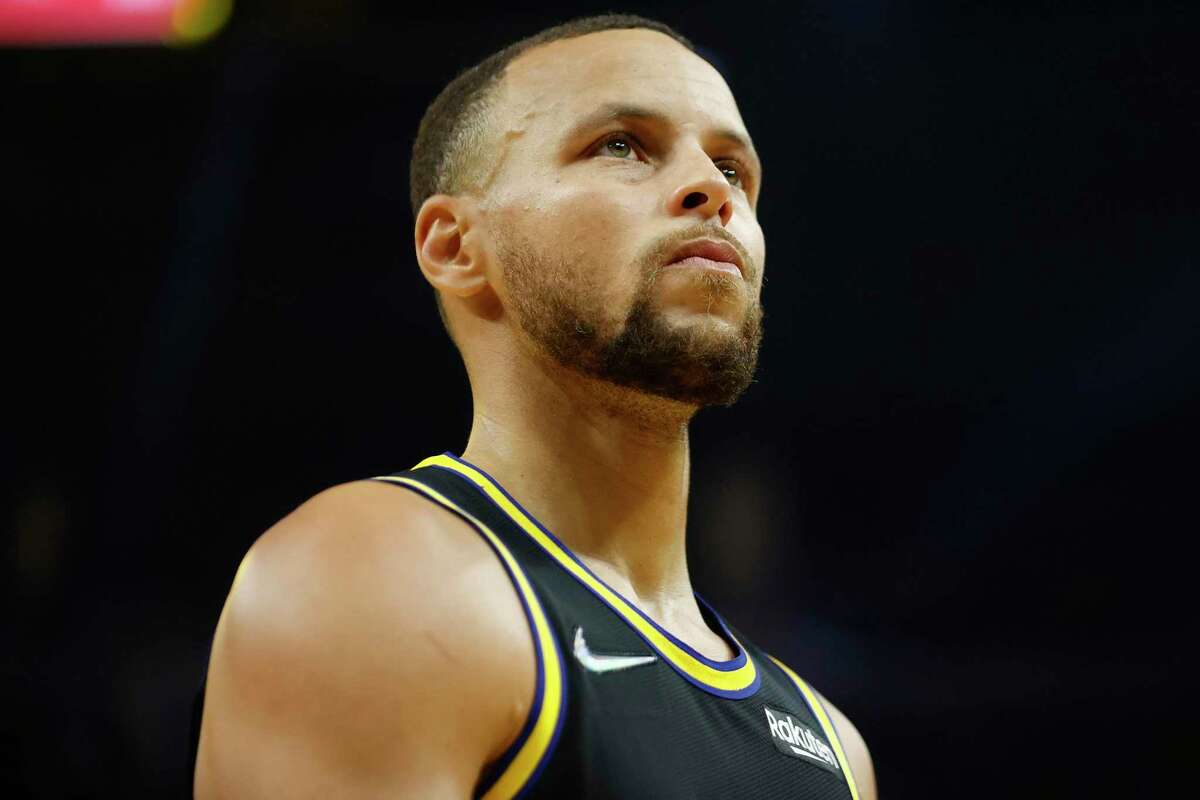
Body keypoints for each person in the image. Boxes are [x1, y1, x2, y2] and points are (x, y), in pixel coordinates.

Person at [193, 13, 877, 799]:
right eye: (621, 145)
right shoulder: (378, 578)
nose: (712, 190)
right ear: (454, 246)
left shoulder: (833, 747)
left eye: (733, 167)